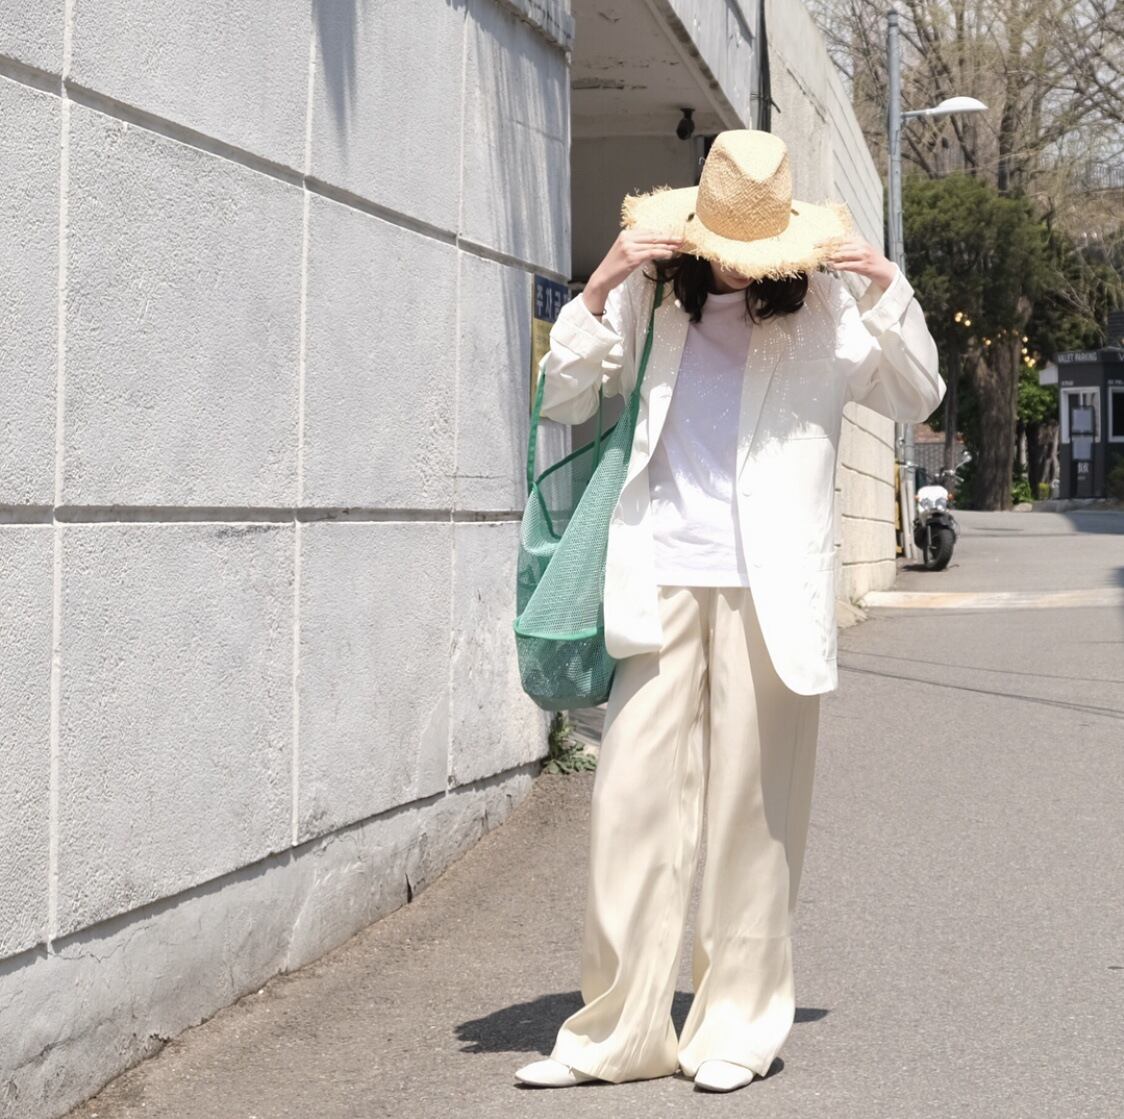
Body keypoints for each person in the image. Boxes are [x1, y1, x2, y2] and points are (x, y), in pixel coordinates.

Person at [514, 130, 945, 1093]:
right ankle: (616, 1033)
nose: (737, 265)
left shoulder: (827, 308)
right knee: (630, 807)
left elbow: (918, 391)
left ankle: (736, 1029)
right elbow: (564, 393)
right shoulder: (652, 301)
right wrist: (599, 284)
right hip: (658, 578)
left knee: (755, 817)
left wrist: (885, 282)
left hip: (770, 592)